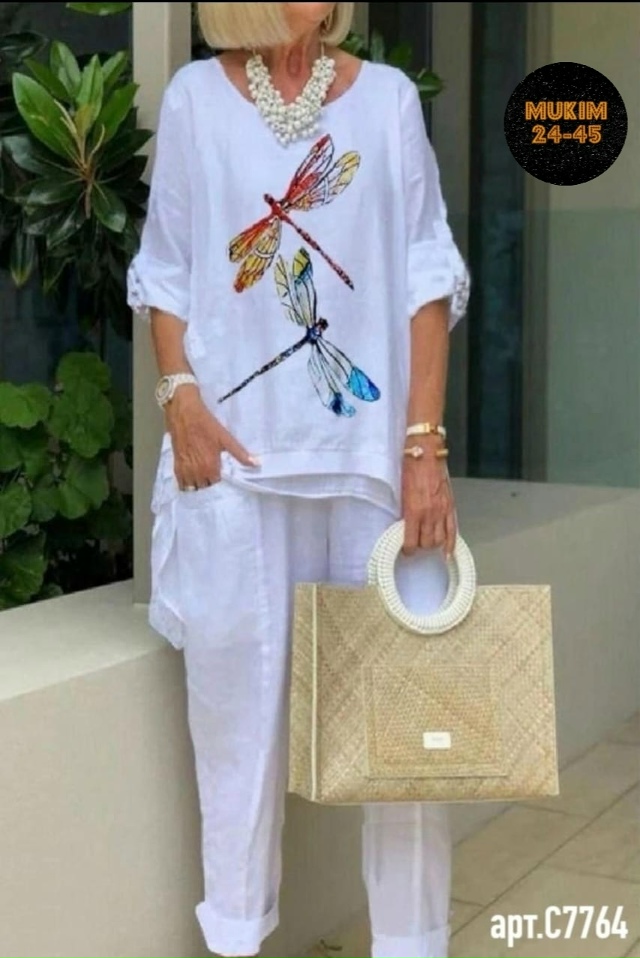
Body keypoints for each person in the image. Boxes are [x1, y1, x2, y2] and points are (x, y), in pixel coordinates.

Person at [127, 3, 470, 956]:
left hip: (371, 472)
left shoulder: (389, 101)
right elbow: (165, 274)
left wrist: (423, 448)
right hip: (234, 469)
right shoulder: (195, 100)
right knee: (235, 737)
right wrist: (181, 401)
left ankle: (414, 945)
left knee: (405, 745)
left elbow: (427, 277)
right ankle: (236, 939)